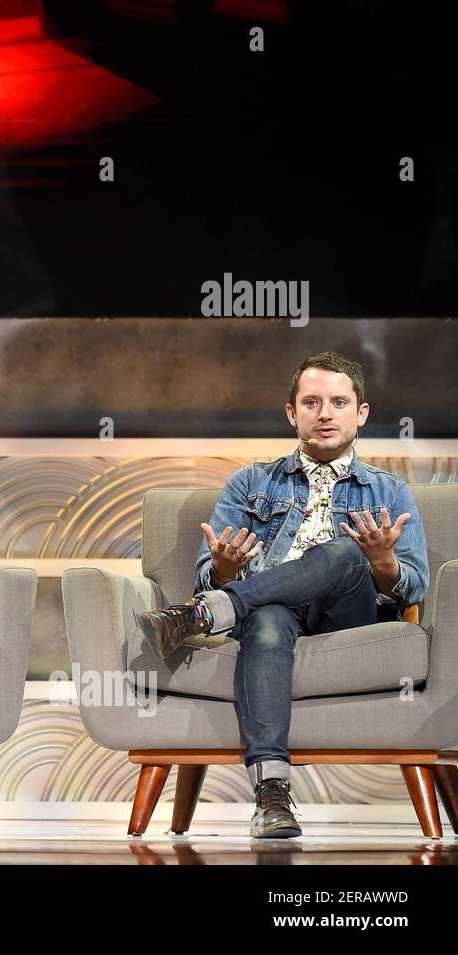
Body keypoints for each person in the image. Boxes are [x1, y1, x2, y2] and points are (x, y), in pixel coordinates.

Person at [136, 352, 429, 838]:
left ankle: (204, 615)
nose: (325, 413)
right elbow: (209, 568)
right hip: (270, 610)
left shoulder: (389, 491)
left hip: (349, 614)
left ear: (362, 413)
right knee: (268, 618)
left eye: (339, 402)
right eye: (311, 402)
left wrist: (382, 562)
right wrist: (226, 569)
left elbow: (414, 583)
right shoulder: (251, 483)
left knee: (343, 553)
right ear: (292, 414)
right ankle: (271, 795)